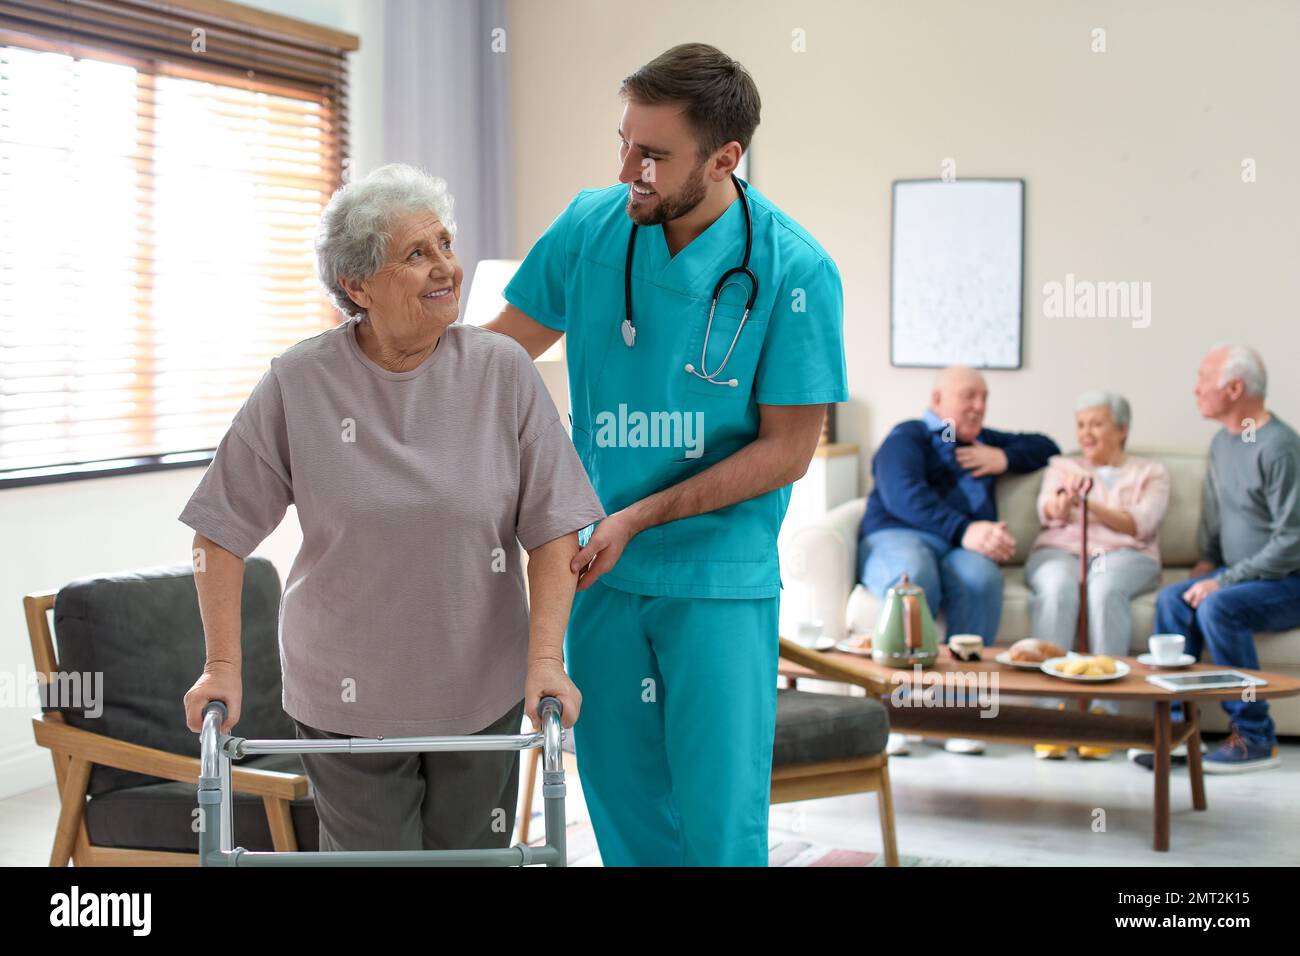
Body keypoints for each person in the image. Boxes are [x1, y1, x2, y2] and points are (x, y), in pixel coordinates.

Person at [487, 44, 846, 866]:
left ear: (726, 157)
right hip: (597, 570)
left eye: (653, 155)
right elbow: (497, 359)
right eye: (623, 143)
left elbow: (788, 452)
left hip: (716, 577)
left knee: (718, 825)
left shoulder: (794, 270)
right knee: (622, 809)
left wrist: (643, 514)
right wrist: (376, 362)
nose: (629, 171)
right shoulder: (590, 225)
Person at [180, 163, 606, 851]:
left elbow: (555, 528)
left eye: (444, 243)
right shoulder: (300, 382)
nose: (446, 267)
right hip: (347, 699)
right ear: (357, 286)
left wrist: (545, 660)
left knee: (473, 862)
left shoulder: (503, 373)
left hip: (481, 691)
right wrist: (222, 667)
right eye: (416, 254)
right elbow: (218, 530)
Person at [858, 366, 1059, 755]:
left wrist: (1003, 457)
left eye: (984, 398)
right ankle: (898, 711)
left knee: (981, 577)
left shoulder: (982, 441)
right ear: (937, 400)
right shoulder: (908, 436)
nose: (979, 406)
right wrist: (966, 530)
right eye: (968, 396)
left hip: (959, 547)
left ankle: (959, 712)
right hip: (901, 535)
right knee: (913, 576)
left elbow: (1047, 446)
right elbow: (904, 497)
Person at [1138, 345, 1300, 773]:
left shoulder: (1281, 448)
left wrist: (1223, 583)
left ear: (1234, 388)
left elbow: (1292, 540)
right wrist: (1208, 564)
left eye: (1203, 377)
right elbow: (1216, 516)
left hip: (1288, 578)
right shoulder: (1223, 442)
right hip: (1242, 573)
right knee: (1175, 600)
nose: (1195, 388)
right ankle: (1172, 731)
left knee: (1219, 606)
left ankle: (1254, 738)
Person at [1026, 391, 1170, 760]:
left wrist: (1091, 505)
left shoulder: (1150, 472)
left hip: (1123, 555)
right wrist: (1063, 503)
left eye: (1096, 424)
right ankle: (1052, 712)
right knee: (1058, 587)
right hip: (1062, 551)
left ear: (1121, 429)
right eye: (1080, 425)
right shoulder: (1062, 467)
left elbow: (1139, 524)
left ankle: (1105, 713)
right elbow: (1050, 511)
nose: (1085, 433)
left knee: (1103, 588)